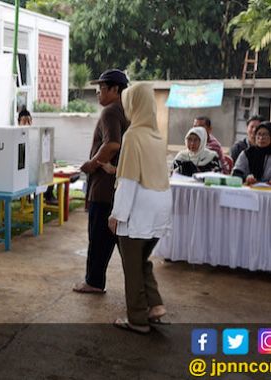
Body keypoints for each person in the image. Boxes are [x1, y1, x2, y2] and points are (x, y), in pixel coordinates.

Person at [108, 83, 172, 334]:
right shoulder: (157, 136)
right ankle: (154, 305)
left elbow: (128, 180)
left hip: (139, 211)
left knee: (131, 265)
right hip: (161, 208)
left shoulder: (133, 135)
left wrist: (117, 215)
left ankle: (137, 318)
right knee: (140, 259)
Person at [74, 69, 129, 294]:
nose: (98, 92)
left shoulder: (110, 111)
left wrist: (92, 164)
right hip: (119, 186)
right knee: (119, 241)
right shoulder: (126, 111)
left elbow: (112, 144)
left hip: (105, 186)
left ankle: (94, 282)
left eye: (102, 88)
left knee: (98, 237)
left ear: (115, 90)